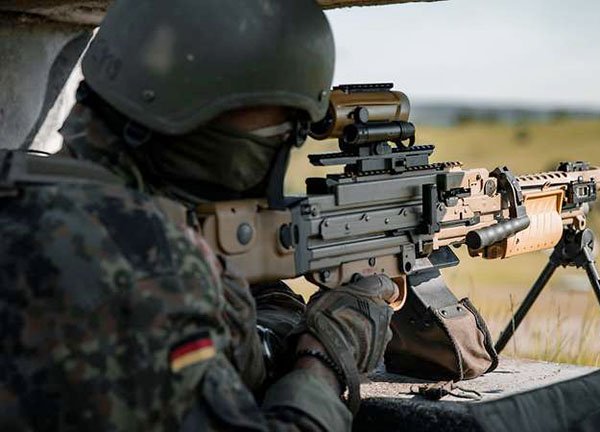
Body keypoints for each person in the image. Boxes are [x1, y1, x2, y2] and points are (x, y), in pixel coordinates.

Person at [0, 0, 395, 430]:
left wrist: (249, 299)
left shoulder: (22, 192)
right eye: (283, 128)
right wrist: (324, 357)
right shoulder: (151, 270)